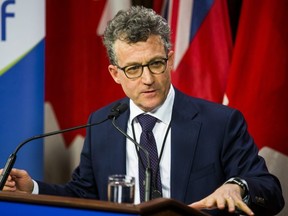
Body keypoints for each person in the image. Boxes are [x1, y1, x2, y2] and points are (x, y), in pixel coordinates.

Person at [1, 6, 284, 216]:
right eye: (134, 69)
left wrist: (238, 187)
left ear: (170, 60)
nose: (147, 79)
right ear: (115, 73)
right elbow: (83, 194)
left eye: (156, 64)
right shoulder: (102, 123)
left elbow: (270, 191)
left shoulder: (220, 123)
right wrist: (33, 189)